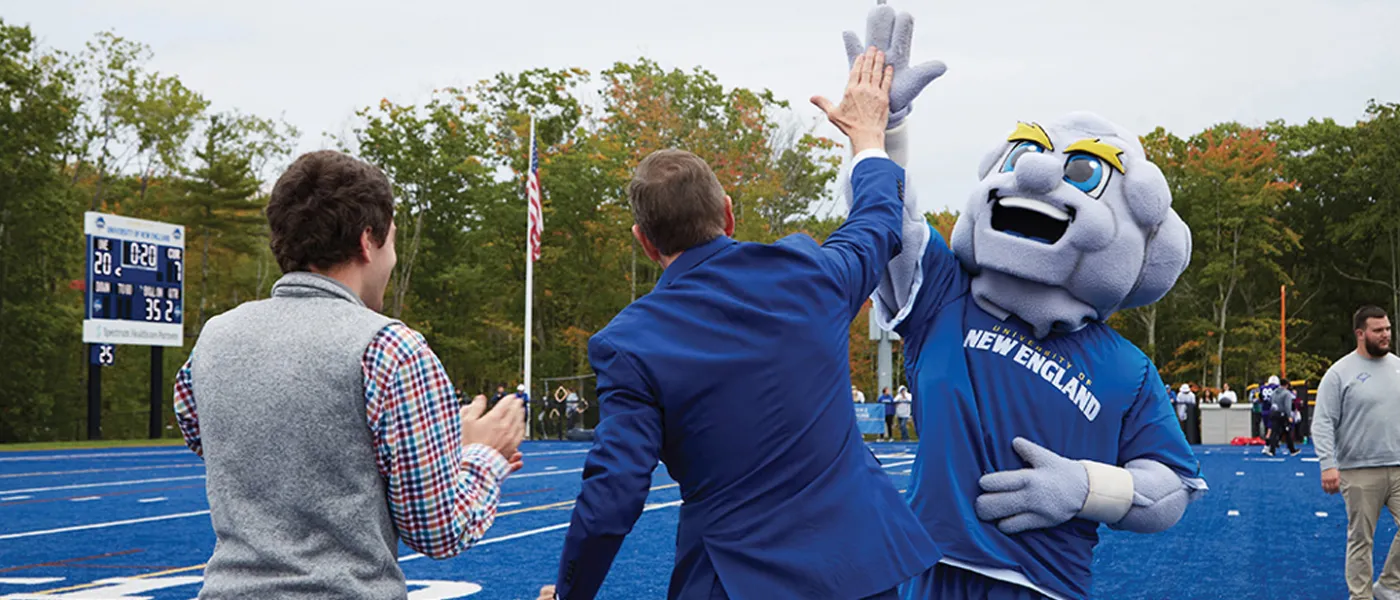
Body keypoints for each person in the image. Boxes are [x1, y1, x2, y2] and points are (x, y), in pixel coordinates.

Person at [540, 47, 941, 600]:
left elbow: (614, 494)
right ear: (727, 212)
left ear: (644, 242)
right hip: (859, 569)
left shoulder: (629, 343)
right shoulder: (809, 273)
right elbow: (877, 221)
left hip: (735, 580)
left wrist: (569, 593)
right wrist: (870, 138)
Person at [838, 3, 1205, 597]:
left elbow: (1170, 488)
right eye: (1021, 153)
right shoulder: (944, 296)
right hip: (930, 569)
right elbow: (889, 221)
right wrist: (885, 127)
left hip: (1045, 585)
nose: (1035, 173)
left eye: (1085, 173)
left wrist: (1085, 488)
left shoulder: (1127, 369)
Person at [172, 150, 525, 598]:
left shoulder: (215, 338)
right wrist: (482, 455)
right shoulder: (391, 347)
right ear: (367, 241)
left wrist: (427, 441)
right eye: (391, 242)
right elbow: (440, 531)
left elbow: (218, 435)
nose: (393, 260)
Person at [1313, 305, 1400, 600]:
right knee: (1362, 540)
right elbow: (1323, 421)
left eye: (1387, 328)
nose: (1386, 334)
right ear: (1360, 334)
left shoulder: (1398, 366)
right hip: (1359, 469)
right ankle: (1360, 596)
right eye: (1379, 330)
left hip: (1399, 466)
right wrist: (1328, 464)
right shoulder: (1340, 373)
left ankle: (1389, 584)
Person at [1264, 380, 1298, 457]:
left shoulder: (1274, 392)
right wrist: (1289, 416)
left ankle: (1272, 450)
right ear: (1286, 385)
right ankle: (1292, 449)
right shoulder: (1287, 393)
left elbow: (1271, 401)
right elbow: (1287, 406)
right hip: (1282, 414)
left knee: (1274, 432)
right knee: (1287, 431)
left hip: (1274, 413)